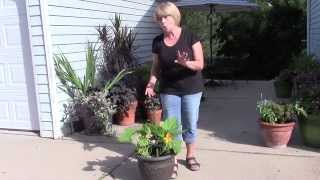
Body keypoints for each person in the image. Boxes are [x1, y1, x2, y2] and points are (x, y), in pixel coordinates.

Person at [145, 1, 204, 178]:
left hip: (191, 88)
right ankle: (174, 160)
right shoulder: (157, 42)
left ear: (174, 17)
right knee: (171, 126)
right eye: (159, 19)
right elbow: (156, 67)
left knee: (190, 123)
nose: (163, 21)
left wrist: (186, 63)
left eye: (166, 17)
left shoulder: (190, 36)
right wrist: (151, 83)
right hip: (169, 89)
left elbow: (200, 64)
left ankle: (191, 155)